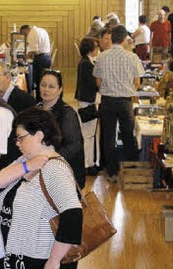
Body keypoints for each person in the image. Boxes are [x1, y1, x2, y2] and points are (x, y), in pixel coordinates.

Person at [0, 108, 82, 269]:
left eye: (21, 138)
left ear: (40, 135)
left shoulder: (54, 169)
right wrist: (26, 167)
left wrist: (54, 260)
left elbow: (73, 216)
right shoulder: (24, 162)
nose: (17, 143)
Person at [93, 25, 145, 183]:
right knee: (128, 135)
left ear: (112, 38)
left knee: (108, 137)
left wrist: (107, 89)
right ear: (124, 39)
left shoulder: (102, 56)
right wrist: (128, 89)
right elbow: (137, 81)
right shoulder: (132, 57)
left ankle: (112, 172)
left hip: (107, 101)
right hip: (125, 101)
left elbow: (98, 81)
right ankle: (131, 169)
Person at [38, 69, 85, 188]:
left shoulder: (67, 113)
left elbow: (74, 145)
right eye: (43, 85)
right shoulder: (37, 109)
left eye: (51, 86)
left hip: (62, 173)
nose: (46, 89)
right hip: (41, 169)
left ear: (60, 90)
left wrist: (49, 160)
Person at [75, 38, 101, 176]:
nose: (98, 49)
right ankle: (87, 164)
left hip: (87, 100)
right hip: (87, 101)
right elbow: (94, 83)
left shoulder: (86, 61)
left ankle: (89, 162)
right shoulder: (86, 64)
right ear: (91, 49)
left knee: (89, 134)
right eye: (96, 47)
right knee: (88, 135)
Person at [20, 25, 51, 100]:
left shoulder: (32, 33)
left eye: (24, 34)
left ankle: (38, 101)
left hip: (41, 59)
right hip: (47, 58)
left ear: (26, 30)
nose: (25, 36)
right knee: (42, 81)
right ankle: (44, 99)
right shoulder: (40, 30)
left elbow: (34, 51)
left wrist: (24, 57)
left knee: (38, 82)